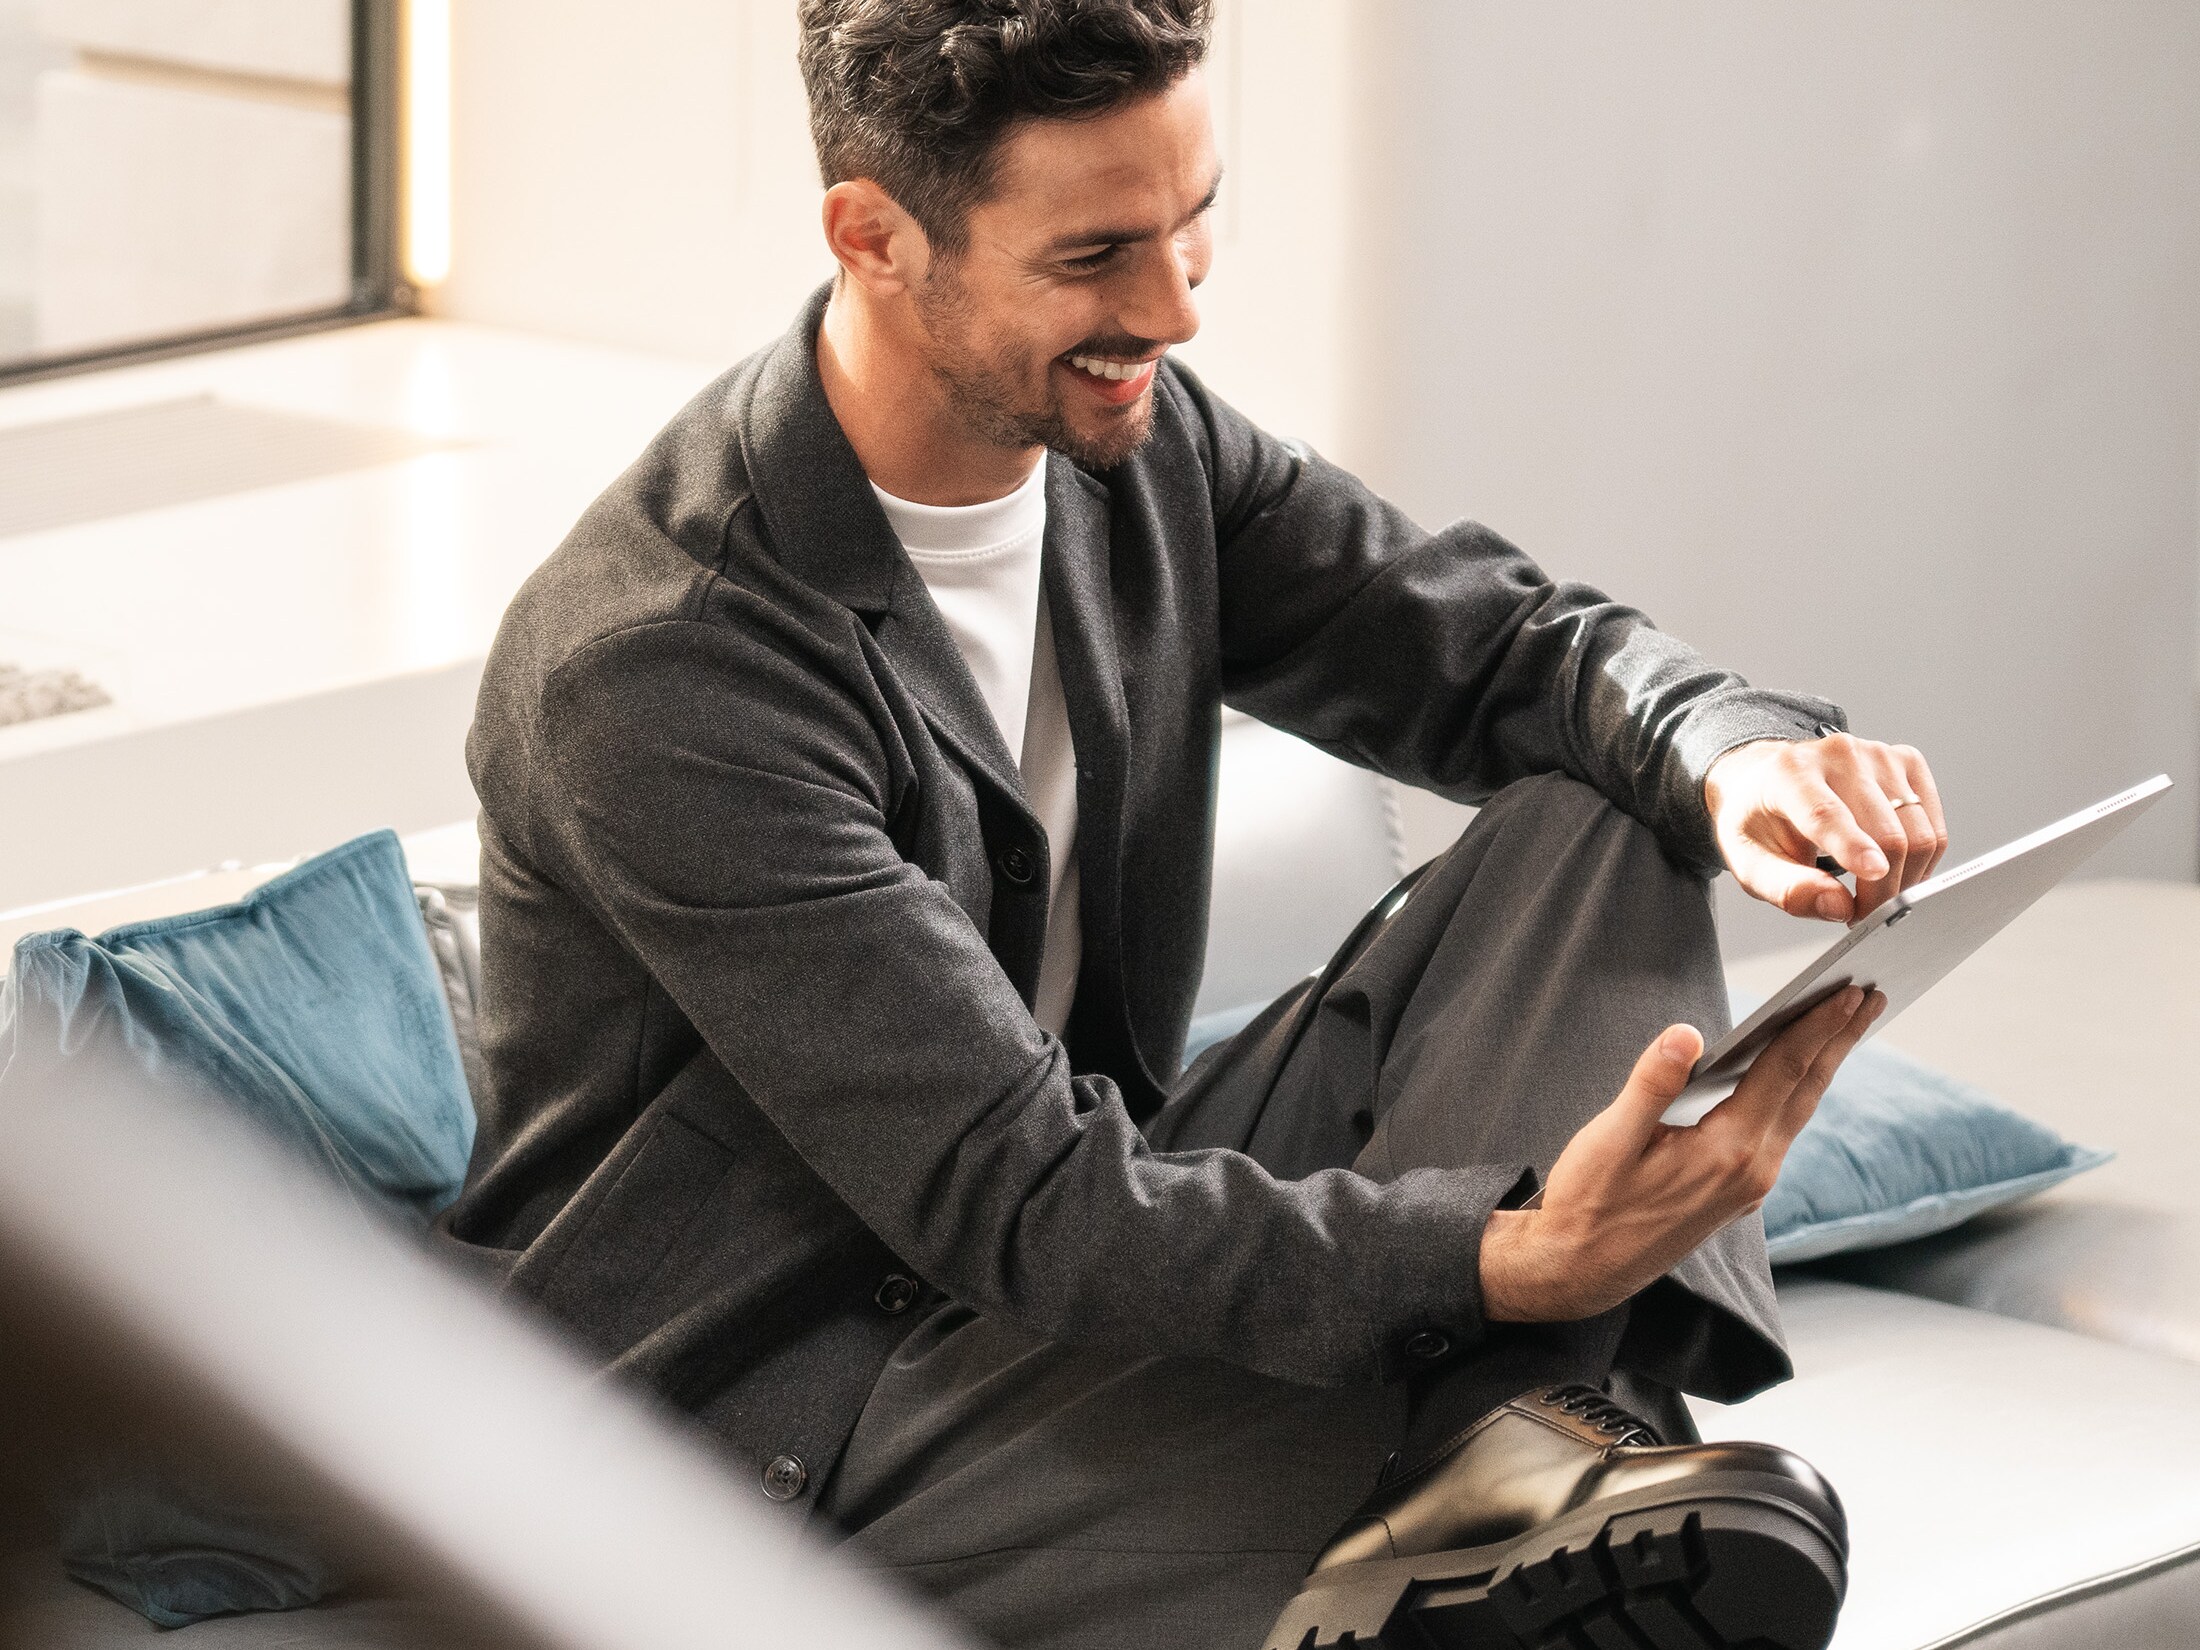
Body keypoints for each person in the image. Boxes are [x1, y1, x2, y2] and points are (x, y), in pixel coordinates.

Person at [443, 4, 1950, 1647]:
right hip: (775, 1438)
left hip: (1066, 1272)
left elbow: (1505, 651)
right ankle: (1529, 1465)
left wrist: (1727, 754)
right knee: (1456, 1331)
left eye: (1194, 217)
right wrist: (1522, 1265)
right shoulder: (666, 667)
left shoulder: (1132, 449)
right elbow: (1019, 1196)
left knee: (1610, 809)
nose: (1171, 303)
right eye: (1097, 253)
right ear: (873, 234)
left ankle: (1509, 1469)